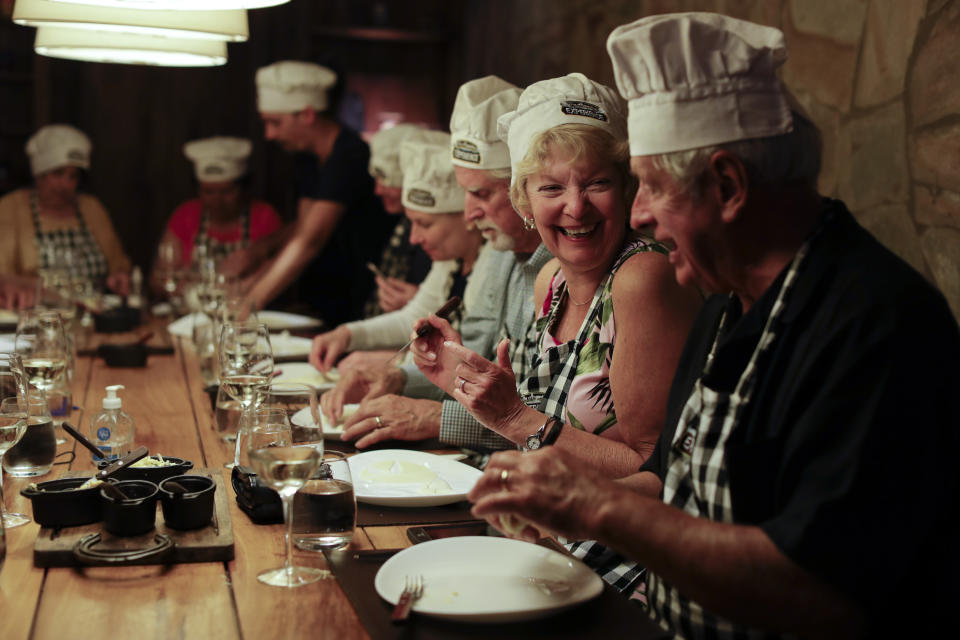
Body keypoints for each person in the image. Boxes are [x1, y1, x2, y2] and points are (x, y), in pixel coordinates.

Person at [466, 13, 960, 639]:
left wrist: (597, 506)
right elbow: (671, 488)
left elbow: (820, 593)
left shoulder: (876, 324)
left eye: (645, 186)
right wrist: (563, 498)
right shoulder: (727, 299)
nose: (637, 213)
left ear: (727, 185)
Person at [412, 73, 700, 594]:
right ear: (523, 199)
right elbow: (540, 431)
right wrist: (460, 375)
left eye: (596, 183)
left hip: (620, 574)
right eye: (551, 187)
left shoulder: (642, 279)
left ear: (627, 187)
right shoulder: (550, 279)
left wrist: (514, 417)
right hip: (545, 549)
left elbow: (653, 472)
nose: (575, 207)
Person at [320, 76, 552, 452]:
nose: (469, 216)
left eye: (480, 194)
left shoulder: (560, 263)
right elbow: (477, 351)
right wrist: (398, 378)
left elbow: (554, 423)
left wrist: (433, 415)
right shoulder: (506, 249)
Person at [309, 135, 484, 373]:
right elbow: (411, 318)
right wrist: (347, 334)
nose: (413, 238)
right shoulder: (450, 261)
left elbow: (480, 357)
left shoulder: (494, 263)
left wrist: (394, 363)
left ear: (467, 217)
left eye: (425, 224)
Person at [245, 60, 394, 324]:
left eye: (275, 123)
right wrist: (246, 288)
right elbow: (302, 231)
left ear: (307, 114)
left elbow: (309, 241)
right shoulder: (309, 158)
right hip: (324, 298)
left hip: (361, 299)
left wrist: (247, 305)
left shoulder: (349, 156)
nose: (269, 134)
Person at [0, 124, 131, 294]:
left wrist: (119, 278)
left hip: (92, 313)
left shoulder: (92, 207)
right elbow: (2, 276)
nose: (66, 185)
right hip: (39, 315)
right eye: (58, 173)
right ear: (38, 175)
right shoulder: (11, 207)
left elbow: (119, 266)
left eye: (73, 176)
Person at [152, 136, 283, 289]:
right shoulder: (185, 216)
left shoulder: (265, 216)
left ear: (243, 189)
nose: (218, 201)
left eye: (227, 192)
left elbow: (278, 272)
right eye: (209, 192)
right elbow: (159, 278)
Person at [362, 123, 437, 317]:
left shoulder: (439, 240)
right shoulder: (398, 223)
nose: (377, 190)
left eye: (386, 180)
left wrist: (420, 302)